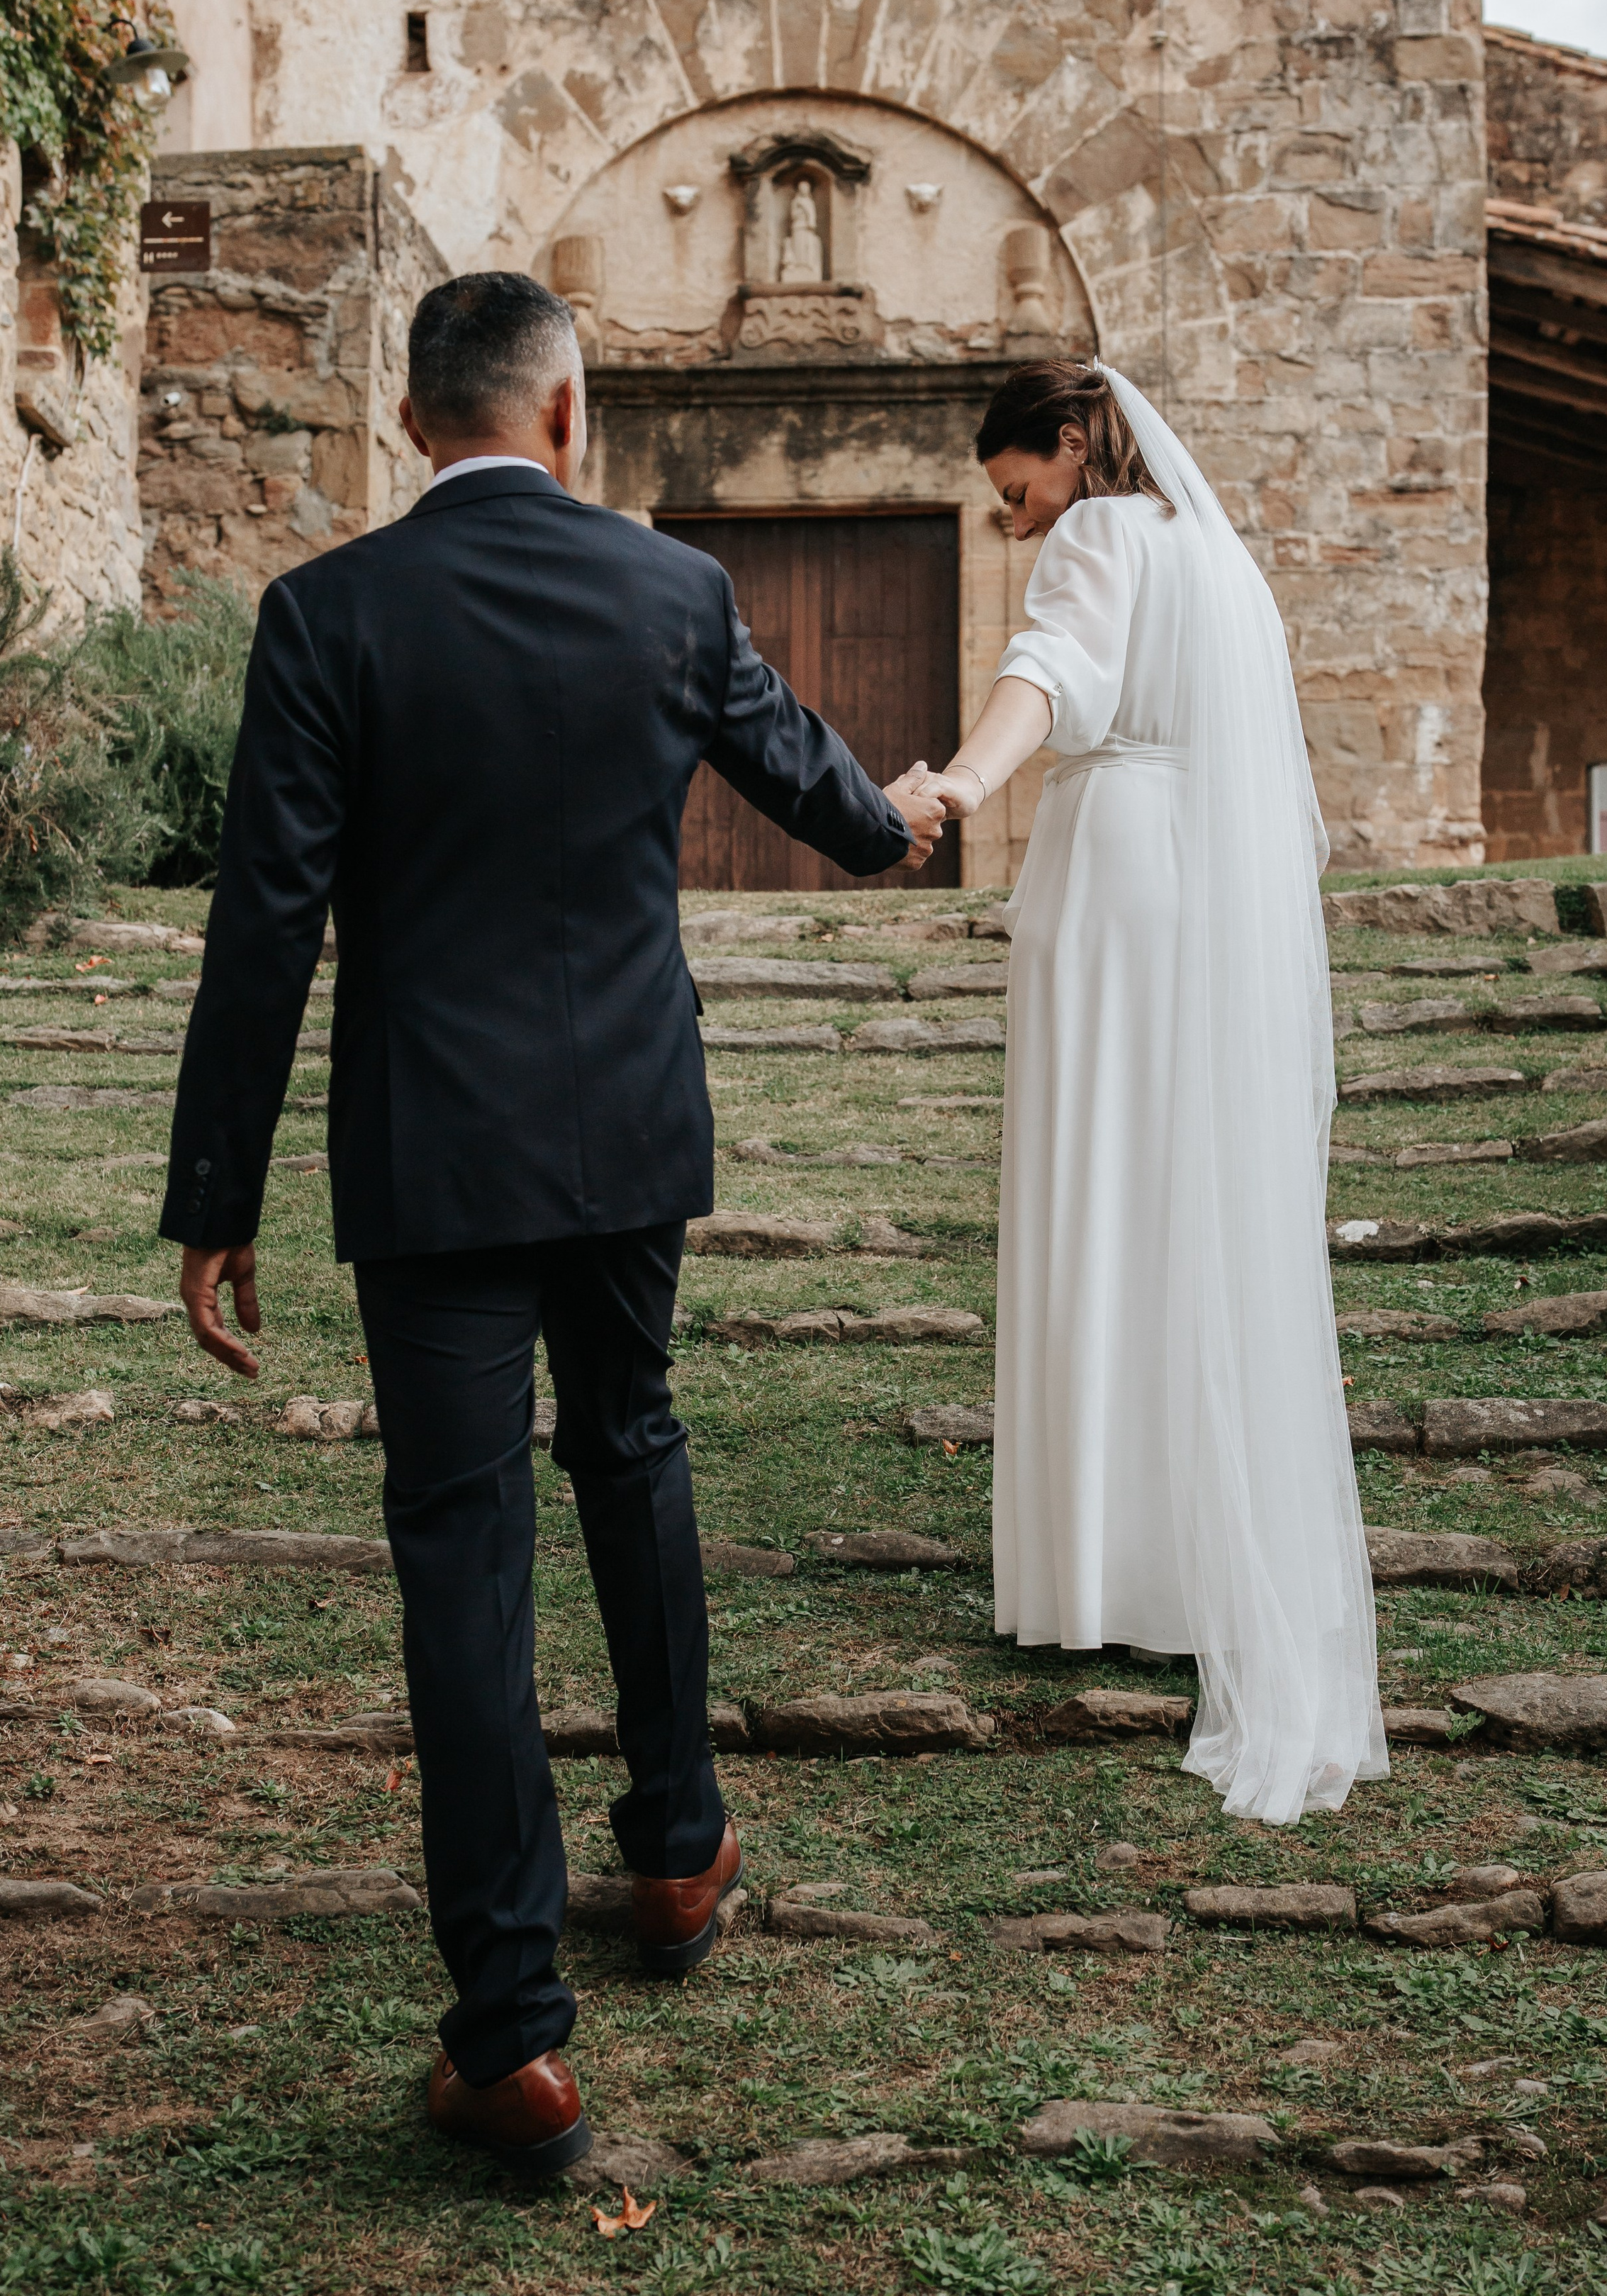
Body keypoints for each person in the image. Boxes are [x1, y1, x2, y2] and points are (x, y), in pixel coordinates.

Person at [161, 272, 947, 2177]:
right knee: (633, 1444)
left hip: (431, 1160)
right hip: (624, 1136)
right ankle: (678, 1849)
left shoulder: (326, 615)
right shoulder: (671, 593)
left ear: (416, 420)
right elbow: (831, 808)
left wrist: (215, 1195)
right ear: (569, 413)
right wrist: (905, 810)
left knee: (460, 1551)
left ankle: (511, 2034)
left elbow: (268, 923)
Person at [928, 360, 1385, 1827]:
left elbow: (1052, 677)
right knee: (1193, 1206)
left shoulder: (1105, 535)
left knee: (1099, 1194)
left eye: (1018, 490)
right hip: (1215, 906)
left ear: (1071, 445)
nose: (1018, 527)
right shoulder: (1225, 566)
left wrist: (951, 783)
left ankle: (1099, 1564)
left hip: (1118, 883)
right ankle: (1192, 1555)